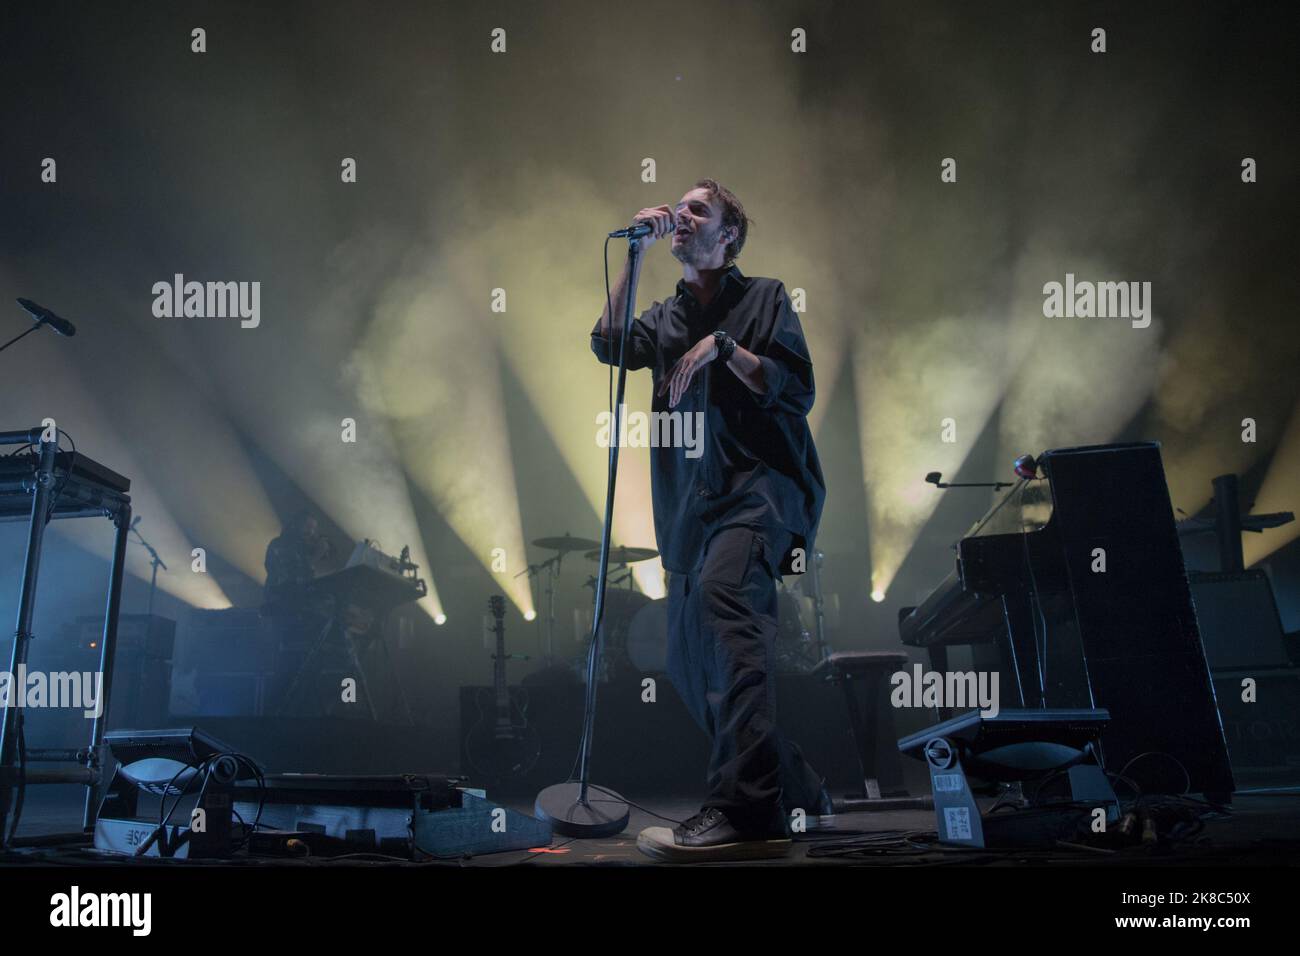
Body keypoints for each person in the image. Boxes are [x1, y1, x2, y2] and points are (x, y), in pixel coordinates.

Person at [590, 179, 830, 862]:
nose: (682, 218)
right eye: (679, 210)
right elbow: (609, 346)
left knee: (731, 609)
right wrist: (633, 257)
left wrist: (724, 347)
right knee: (692, 668)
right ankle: (802, 789)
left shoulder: (765, 298)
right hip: (690, 510)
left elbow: (794, 390)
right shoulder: (662, 319)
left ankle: (745, 811)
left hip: (762, 495)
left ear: (728, 236)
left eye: (699, 210)